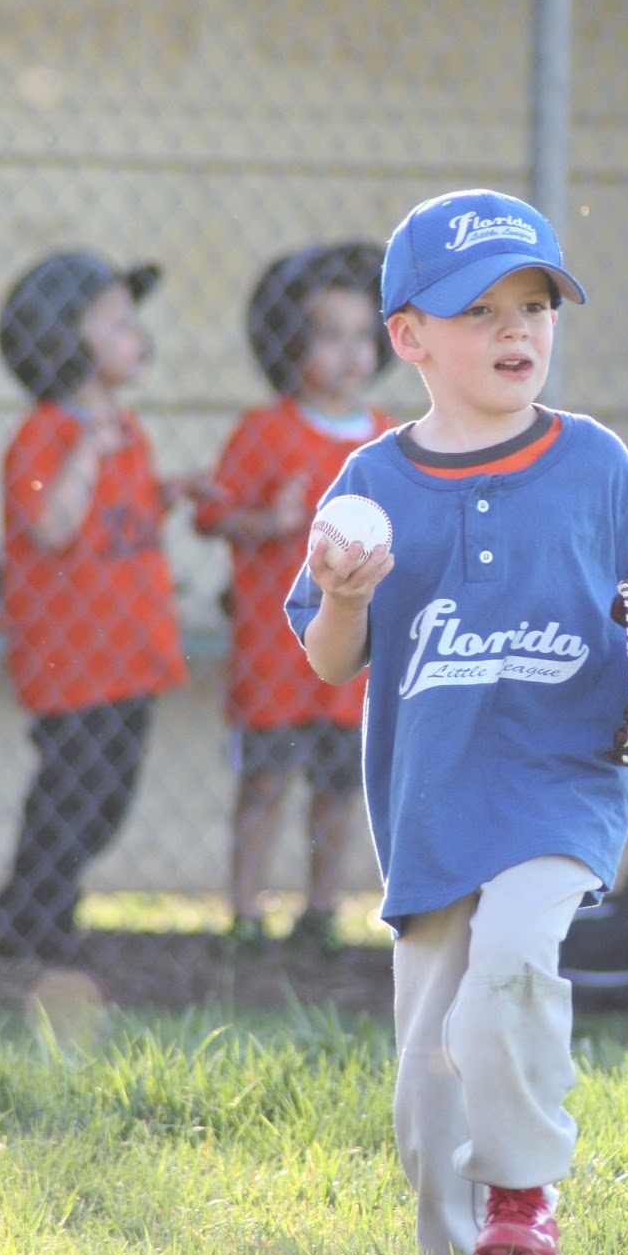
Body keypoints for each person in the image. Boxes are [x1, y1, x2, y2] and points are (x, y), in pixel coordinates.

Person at [284, 189, 628, 1255]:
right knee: (427, 1077)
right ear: (407, 337)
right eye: (479, 310)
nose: (517, 330)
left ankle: (518, 1189)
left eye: (536, 304)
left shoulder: (594, 464)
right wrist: (346, 593)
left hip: (564, 783)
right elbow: (325, 657)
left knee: (510, 964)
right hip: (433, 800)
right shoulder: (371, 485)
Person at [0, 250, 205, 961]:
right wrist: (86, 449)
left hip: (129, 652)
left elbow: (117, 523)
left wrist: (170, 493)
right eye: (115, 322)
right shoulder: (46, 433)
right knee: (70, 793)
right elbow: (52, 526)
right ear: (62, 339)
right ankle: (33, 919)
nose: (135, 334)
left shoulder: (123, 429)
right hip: (74, 658)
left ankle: (33, 904)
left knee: (106, 801)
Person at [194, 245, 391, 949]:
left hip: (352, 656)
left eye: (362, 336)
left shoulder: (385, 440)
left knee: (337, 788)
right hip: (274, 653)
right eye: (329, 336)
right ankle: (245, 910)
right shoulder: (263, 430)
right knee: (267, 782)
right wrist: (267, 523)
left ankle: (322, 909)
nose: (350, 353)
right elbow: (212, 514)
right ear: (290, 345)